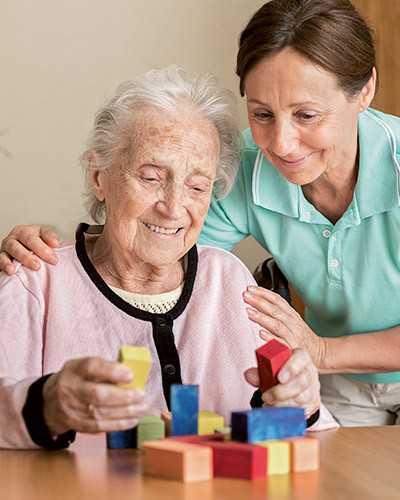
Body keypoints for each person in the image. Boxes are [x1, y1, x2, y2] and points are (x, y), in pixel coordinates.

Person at [2, 0, 392, 428]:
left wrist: (318, 357)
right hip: (345, 388)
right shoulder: (242, 165)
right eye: (262, 114)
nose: (281, 143)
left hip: (337, 363)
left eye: (307, 115)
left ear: (365, 92)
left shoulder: (228, 277)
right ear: (99, 176)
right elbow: (157, 243)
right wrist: (53, 257)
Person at [0, 65, 332, 450]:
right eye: (151, 177)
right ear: (98, 176)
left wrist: (301, 402)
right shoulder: (35, 279)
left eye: (197, 186)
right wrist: (46, 407)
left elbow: (303, 432)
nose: (174, 208)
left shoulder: (228, 281)